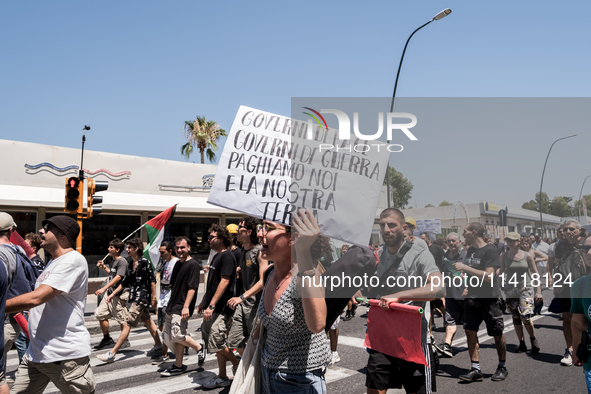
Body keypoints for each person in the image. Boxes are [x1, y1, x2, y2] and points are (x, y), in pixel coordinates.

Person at [6, 215, 95, 394]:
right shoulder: (54, 262)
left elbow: (37, 298)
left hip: (64, 357)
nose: (41, 231)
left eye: (47, 228)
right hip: (37, 354)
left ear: (63, 235)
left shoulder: (72, 260)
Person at [366, 208, 443, 394]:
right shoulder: (378, 255)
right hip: (383, 336)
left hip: (412, 338)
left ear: (404, 228)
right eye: (382, 225)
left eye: (391, 225)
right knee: (374, 390)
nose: (386, 229)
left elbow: (439, 288)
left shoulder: (419, 254)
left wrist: (400, 296)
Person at [254, 210, 331, 394]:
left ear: (294, 238)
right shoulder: (270, 273)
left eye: (269, 228)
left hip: (299, 380)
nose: (259, 233)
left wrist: (303, 251)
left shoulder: (306, 276)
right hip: (267, 374)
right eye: (261, 227)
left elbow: (318, 324)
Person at [453, 222, 508, 382]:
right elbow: (472, 275)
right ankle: (475, 368)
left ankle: (502, 366)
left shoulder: (491, 250)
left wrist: (464, 267)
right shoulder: (470, 250)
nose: (463, 235)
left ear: (474, 232)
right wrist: (467, 288)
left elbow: (490, 276)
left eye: (465, 231)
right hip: (472, 297)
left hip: (490, 298)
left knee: (497, 334)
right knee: (470, 331)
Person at [97, 238, 162, 363]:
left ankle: (112, 353)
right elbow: (124, 283)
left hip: (141, 298)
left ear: (136, 248)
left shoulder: (144, 262)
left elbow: (152, 281)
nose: (126, 250)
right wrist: (112, 295)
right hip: (134, 297)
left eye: (129, 248)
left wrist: (154, 298)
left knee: (127, 324)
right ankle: (159, 345)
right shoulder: (131, 263)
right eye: (127, 247)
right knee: (148, 321)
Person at [199, 225, 239, 389]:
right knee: (212, 342)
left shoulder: (227, 256)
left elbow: (224, 281)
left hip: (221, 308)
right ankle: (222, 376)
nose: (209, 239)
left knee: (216, 341)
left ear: (221, 238)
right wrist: (204, 301)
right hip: (212, 306)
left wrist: (213, 304)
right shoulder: (216, 256)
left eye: (212, 237)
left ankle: (238, 364)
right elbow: (212, 283)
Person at [160, 236, 205, 376]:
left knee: (178, 335)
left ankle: (199, 347)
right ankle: (178, 365)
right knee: (174, 336)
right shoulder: (178, 263)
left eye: (182, 247)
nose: (179, 250)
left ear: (189, 248)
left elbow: (192, 287)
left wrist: (186, 307)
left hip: (182, 306)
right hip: (172, 304)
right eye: (178, 248)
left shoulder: (193, 265)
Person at [227, 217, 268, 357]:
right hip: (243, 304)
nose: (237, 231)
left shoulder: (260, 252)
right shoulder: (243, 250)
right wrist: (240, 269)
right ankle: (247, 364)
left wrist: (242, 297)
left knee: (256, 343)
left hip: (255, 306)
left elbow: (263, 281)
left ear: (249, 232)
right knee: (234, 340)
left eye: (241, 228)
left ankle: (253, 372)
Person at [499, 232, 542, 354]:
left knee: (525, 316)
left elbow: (535, 273)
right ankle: (521, 343)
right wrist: (499, 285)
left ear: (519, 242)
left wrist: (538, 291)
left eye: (513, 240)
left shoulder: (527, 255)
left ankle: (533, 339)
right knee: (516, 317)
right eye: (508, 240)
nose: (510, 242)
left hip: (526, 288)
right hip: (511, 290)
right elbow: (502, 271)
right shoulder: (503, 255)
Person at [552, 220, 586, 366]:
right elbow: (557, 265)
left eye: (571, 229)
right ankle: (570, 350)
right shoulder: (560, 246)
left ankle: (584, 348)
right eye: (565, 229)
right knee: (567, 317)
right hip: (567, 287)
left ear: (579, 230)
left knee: (585, 319)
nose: (568, 231)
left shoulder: (586, 243)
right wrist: (556, 283)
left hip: (584, 286)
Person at [433, 232, 466, 358]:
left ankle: (473, 344)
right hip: (450, 294)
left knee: (468, 325)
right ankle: (447, 345)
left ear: (459, 242)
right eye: (449, 241)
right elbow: (442, 274)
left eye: (454, 241)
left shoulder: (465, 255)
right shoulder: (445, 256)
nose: (452, 243)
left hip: (464, 295)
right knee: (449, 320)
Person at [93, 238, 130, 350]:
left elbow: (119, 277)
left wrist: (103, 288)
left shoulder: (122, 262)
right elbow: (112, 275)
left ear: (117, 249)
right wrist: (104, 267)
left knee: (122, 319)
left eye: (111, 247)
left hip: (119, 294)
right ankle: (107, 338)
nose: (108, 249)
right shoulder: (113, 261)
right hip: (109, 293)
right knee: (100, 314)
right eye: (109, 247)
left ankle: (125, 340)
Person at [152, 241, 179, 364]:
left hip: (170, 298)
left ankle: (164, 353)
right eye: (160, 252)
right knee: (162, 326)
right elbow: (156, 276)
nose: (161, 254)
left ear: (170, 251)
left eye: (163, 252)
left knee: (166, 328)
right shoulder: (163, 263)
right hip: (162, 297)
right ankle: (184, 340)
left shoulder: (176, 263)